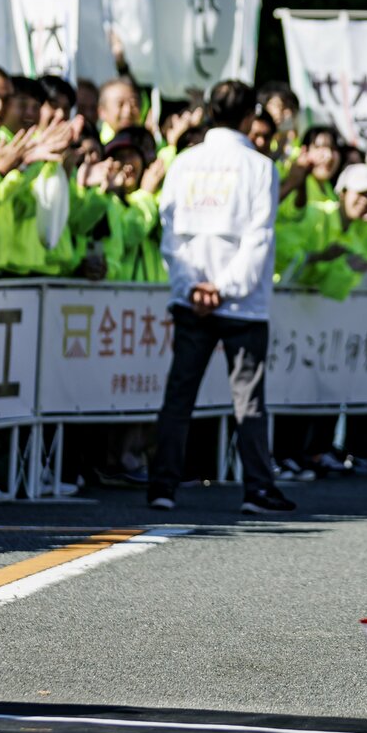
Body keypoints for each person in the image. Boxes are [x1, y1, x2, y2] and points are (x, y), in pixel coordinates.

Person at [148, 80, 295, 515]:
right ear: (251, 115)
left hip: (191, 295)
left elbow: (170, 231)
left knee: (179, 395)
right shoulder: (259, 166)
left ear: (210, 111)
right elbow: (259, 238)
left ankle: (162, 486)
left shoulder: (184, 162)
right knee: (248, 399)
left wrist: (194, 285)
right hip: (242, 303)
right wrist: (226, 288)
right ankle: (257, 488)